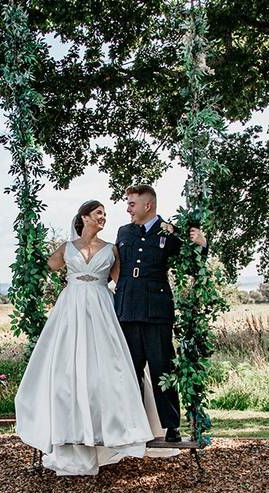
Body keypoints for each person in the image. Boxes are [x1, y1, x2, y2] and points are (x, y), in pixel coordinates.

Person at [14, 200, 157, 476]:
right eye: (98, 213)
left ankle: (109, 432)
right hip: (71, 310)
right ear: (84, 217)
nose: (103, 217)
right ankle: (69, 432)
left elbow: (121, 280)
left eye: (104, 214)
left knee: (105, 371)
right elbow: (45, 268)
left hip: (102, 307)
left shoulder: (110, 249)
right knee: (66, 370)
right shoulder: (67, 249)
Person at [113, 184, 207, 442]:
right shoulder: (124, 232)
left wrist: (202, 244)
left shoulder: (170, 232)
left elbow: (192, 265)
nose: (128, 208)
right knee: (129, 372)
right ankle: (133, 426)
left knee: (161, 368)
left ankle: (171, 426)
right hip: (126, 309)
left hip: (157, 311)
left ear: (148, 205)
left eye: (132, 204)